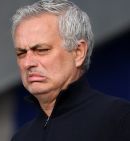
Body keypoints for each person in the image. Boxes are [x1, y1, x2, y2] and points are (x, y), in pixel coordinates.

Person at [10, 0, 130, 141]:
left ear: (78, 52)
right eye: (21, 53)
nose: (28, 63)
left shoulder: (119, 118)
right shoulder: (21, 137)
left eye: (41, 50)